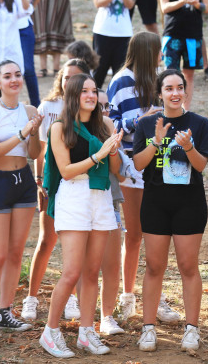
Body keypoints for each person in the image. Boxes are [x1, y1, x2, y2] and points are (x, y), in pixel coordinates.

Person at [133, 69, 208, 352]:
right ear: (160, 93)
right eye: (169, 88)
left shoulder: (199, 124)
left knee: (187, 266)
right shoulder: (146, 124)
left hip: (189, 203)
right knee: (154, 266)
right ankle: (148, 329)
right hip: (155, 201)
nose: (175, 93)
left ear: (185, 91)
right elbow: (137, 165)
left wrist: (189, 146)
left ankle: (192, 329)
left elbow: (201, 165)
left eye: (179, 87)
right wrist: (157, 141)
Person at [39, 73, 123, 358]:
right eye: (84, 91)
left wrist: (113, 150)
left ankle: (87, 332)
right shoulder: (60, 127)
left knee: (91, 271)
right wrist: (100, 154)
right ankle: (50, 332)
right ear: (73, 96)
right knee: (72, 271)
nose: (90, 96)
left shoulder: (105, 125)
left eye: (93, 91)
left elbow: (116, 171)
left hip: (100, 197)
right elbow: (65, 171)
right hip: (74, 196)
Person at [106, 32, 178, 323]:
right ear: (148, 52)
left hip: (159, 163)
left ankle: (155, 296)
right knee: (134, 235)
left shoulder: (158, 77)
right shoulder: (122, 80)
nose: (161, 55)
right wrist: (145, 118)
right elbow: (113, 122)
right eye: (158, 51)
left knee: (155, 234)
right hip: (131, 164)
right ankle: (128, 297)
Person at [23, 58, 91, 323]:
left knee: (74, 244)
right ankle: (31, 297)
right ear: (60, 80)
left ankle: (71, 297)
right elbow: (40, 149)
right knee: (47, 240)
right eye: (65, 77)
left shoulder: (88, 108)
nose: (69, 83)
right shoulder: (49, 107)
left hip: (78, 183)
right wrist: (40, 181)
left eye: (76, 78)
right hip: (52, 181)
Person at [0, 61, 42, 338]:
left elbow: (35, 152)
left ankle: (6, 311)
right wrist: (21, 132)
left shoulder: (30, 110)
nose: (14, 80)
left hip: (24, 182)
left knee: (16, 252)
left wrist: (35, 130)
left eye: (18, 75)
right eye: (7, 76)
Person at [96, 87, 127, 335]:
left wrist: (114, 148)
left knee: (112, 264)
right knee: (85, 265)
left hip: (110, 201)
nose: (104, 111)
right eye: (100, 106)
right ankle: (82, 312)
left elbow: (119, 171)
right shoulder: (73, 128)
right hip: (81, 205)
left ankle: (106, 316)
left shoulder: (110, 127)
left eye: (107, 106)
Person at [92, 0, 137, 89]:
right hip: (102, 32)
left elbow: (130, 5)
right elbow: (98, 3)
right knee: (99, 71)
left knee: (121, 73)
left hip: (123, 33)